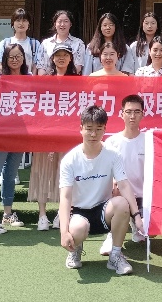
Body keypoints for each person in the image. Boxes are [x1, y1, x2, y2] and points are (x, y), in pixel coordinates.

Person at [58, 105, 143, 275]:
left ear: (104, 129)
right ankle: (75, 249)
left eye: (98, 129)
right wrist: (64, 232)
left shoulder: (113, 154)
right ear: (81, 129)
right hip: (79, 213)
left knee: (122, 203)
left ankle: (115, 256)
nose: (93, 134)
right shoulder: (70, 160)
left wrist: (137, 216)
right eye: (89, 129)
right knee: (77, 229)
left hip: (104, 211)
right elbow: (65, 197)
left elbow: (124, 185)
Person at [0, 42, 29, 234]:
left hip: (20, 134)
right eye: (11, 57)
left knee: (10, 175)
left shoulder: (31, 79)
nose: (15, 60)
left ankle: (7, 214)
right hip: (0, 133)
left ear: (24, 58)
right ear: (5, 60)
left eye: (18, 56)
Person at [31, 42, 79, 231]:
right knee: (42, 171)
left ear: (71, 58)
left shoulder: (78, 81)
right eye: (58, 55)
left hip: (68, 135)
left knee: (65, 173)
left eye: (65, 55)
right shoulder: (45, 80)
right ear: (52, 58)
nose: (61, 58)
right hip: (46, 133)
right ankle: (42, 215)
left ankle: (62, 213)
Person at [100, 94, 148, 255]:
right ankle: (112, 235)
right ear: (122, 114)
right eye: (128, 112)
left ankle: (137, 224)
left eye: (137, 112)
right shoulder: (111, 142)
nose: (132, 116)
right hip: (119, 196)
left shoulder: (149, 141)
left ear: (143, 114)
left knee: (148, 232)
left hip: (143, 198)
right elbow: (104, 171)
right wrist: (113, 181)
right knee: (114, 192)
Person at [0, 7, 43, 72]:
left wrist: (32, 78)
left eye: (24, 20)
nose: (21, 23)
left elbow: (35, 66)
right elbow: (0, 66)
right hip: (9, 78)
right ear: (13, 23)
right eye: (18, 20)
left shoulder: (35, 44)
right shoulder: (5, 43)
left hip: (28, 78)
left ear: (29, 24)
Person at [38, 10, 89, 76]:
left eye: (66, 21)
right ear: (55, 24)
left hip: (70, 80)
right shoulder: (45, 43)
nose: (62, 24)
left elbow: (78, 67)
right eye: (59, 21)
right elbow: (41, 67)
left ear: (70, 24)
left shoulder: (79, 43)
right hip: (48, 80)